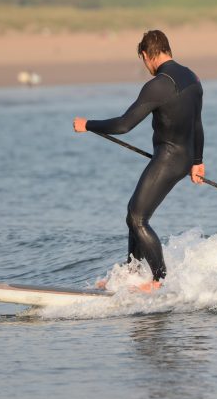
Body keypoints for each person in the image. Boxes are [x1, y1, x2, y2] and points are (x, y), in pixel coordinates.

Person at [72, 30, 205, 291]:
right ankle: (131, 273)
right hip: (185, 157)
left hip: (169, 158)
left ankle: (159, 280)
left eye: (143, 61)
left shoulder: (159, 84)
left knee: (137, 218)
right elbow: (197, 123)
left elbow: (124, 125)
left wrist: (88, 125)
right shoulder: (192, 77)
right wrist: (198, 161)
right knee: (133, 213)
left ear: (146, 55)